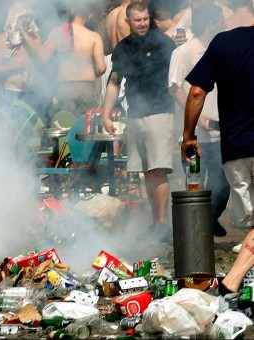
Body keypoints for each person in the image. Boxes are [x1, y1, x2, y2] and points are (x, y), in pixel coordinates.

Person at [181, 25, 254, 296]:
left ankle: (233, 283)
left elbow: (197, 91)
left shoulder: (224, 42)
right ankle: (230, 283)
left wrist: (188, 136)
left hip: (234, 151)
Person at [102, 2, 176, 236]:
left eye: (145, 19)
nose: (142, 23)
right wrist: (105, 114)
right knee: (147, 171)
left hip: (160, 111)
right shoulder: (122, 48)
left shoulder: (163, 42)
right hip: (135, 114)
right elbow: (114, 82)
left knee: (159, 168)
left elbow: (177, 75)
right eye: (138, 20)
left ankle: (163, 222)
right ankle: (155, 221)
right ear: (128, 22)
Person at [168, 1, 228, 237]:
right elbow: (175, 88)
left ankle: (209, 218)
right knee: (195, 183)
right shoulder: (183, 52)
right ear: (211, 24)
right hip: (192, 135)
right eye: (221, 21)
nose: (224, 24)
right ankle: (194, 230)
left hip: (221, 131)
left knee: (222, 183)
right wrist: (197, 117)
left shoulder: (221, 50)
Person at [38, 1, 106, 115]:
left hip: (65, 85)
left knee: (66, 124)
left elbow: (41, 60)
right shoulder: (94, 36)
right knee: (85, 127)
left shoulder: (56, 32)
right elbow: (101, 68)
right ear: (90, 15)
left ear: (72, 11)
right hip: (87, 86)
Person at [0, 2, 40, 111]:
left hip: (31, 95)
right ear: (15, 18)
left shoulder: (32, 39)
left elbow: (39, 52)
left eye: (30, 16)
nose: (28, 20)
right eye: (24, 17)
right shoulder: (2, 40)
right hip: (10, 94)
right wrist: (16, 66)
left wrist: (24, 34)